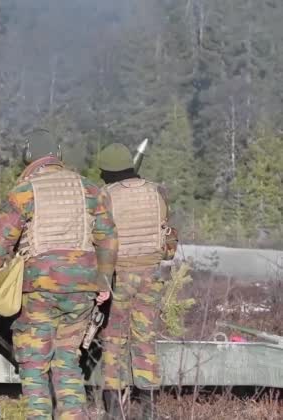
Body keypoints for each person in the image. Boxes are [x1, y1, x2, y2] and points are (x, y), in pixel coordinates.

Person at [0, 140, 118, 420]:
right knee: (67, 360)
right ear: (57, 156)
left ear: (30, 158)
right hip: (82, 290)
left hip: (38, 291)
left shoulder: (24, 191)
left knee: (34, 365)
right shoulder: (90, 189)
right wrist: (103, 281)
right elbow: (107, 240)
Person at [97, 142, 178, 419]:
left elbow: (100, 240)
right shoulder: (157, 192)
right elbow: (169, 242)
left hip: (118, 278)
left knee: (114, 341)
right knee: (145, 341)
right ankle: (148, 410)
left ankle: (114, 411)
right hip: (151, 277)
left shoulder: (106, 195)